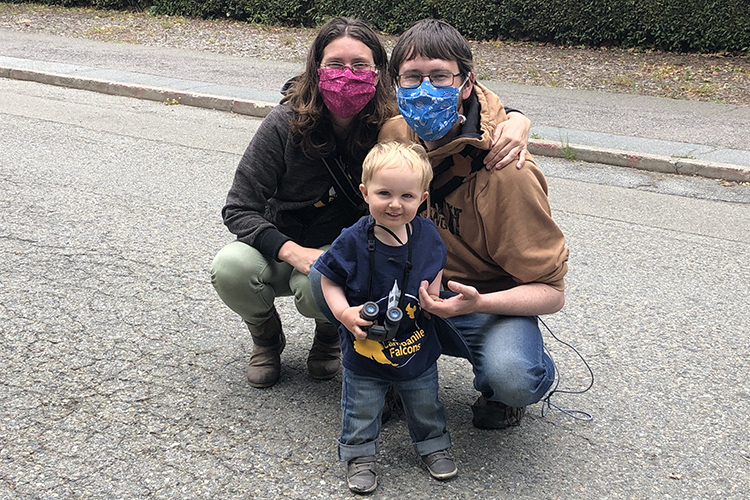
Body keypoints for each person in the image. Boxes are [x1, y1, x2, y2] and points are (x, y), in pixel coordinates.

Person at [211, 17, 532, 389]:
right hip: (281, 243)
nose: (347, 75)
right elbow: (238, 208)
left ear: (380, 74)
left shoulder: (393, 119)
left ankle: (329, 337)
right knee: (231, 268)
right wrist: (291, 251)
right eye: (334, 65)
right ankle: (266, 338)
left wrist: (517, 118)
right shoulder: (284, 123)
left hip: (345, 246)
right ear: (316, 70)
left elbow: (453, 85)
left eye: (361, 65)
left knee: (321, 280)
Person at [381, 18, 570, 430]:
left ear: (466, 84)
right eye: (412, 78)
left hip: (484, 300)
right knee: (327, 284)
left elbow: (551, 294)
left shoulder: (507, 173)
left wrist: (479, 303)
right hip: (415, 289)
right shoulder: (395, 133)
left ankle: (514, 380)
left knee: (514, 376)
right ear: (395, 84)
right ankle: (393, 374)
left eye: (440, 77)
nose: (424, 90)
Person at [314, 141, 454, 494]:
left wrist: (433, 296)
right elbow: (328, 278)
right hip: (364, 348)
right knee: (361, 405)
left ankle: (433, 444)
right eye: (384, 193)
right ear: (365, 192)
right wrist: (344, 313)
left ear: (423, 198)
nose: (395, 204)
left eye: (407, 196)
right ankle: (359, 455)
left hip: (415, 344)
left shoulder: (427, 234)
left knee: (425, 400)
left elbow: (436, 265)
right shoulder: (352, 240)